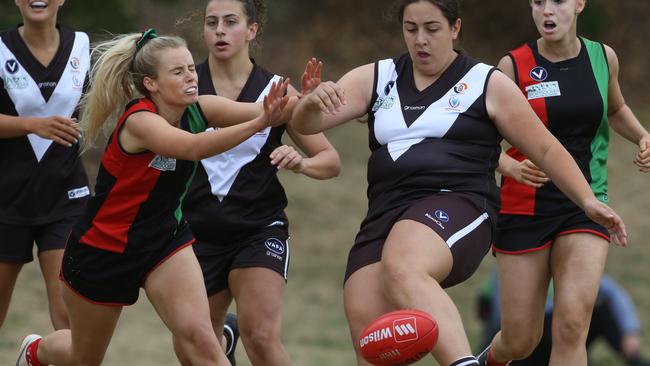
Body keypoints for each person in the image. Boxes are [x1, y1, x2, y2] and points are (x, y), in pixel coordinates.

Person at [290, 0, 627, 365]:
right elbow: (307, 124)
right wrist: (310, 104)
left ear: (455, 28)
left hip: (459, 202)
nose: (420, 40)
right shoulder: (378, 76)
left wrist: (586, 200)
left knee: (403, 263)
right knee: (368, 334)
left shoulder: (486, 83)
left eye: (432, 29)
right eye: (410, 28)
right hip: (385, 213)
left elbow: (545, 148)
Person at [14, 28, 297, 366]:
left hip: (165, 240)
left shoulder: (201, 108)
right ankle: (35, 352)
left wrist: (305, 99)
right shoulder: (140, 122)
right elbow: (193, 147)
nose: (191, 76)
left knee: (203, 340)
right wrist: (262, 122)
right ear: (151, 84)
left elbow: (267, 109)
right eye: (178, 72)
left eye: (191, 68)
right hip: (106, 249)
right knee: (82, 357)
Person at [479, 1, 650, 365]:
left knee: (572, 324)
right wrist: (508, 166)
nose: (547, 12)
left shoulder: (603, 58)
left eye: (557, 1)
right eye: (538, 3)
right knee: (520, 339)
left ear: (579, 4)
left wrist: (642, 136)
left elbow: (615, 107)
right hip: (525, 206)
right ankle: (486, 360)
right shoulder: (511, 66)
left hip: (585, 204)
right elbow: (479, 138)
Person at [178, 1, 340, 365]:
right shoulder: (185, 89)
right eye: (212, 22)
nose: (220, 30)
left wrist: (300, 163)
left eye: (231, 22)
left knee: (262, 337)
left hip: (258, 228)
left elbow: (330, 162)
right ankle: (224, 339)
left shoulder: (277, 92)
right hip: (193, 233)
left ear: (251, 30)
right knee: (196, 346)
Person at [0, 0, 89, 331]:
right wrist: (31, 125)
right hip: (7, 200)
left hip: (66, 199)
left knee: (68, 315)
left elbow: (104, 103)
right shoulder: (1, 48)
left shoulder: (83, 46)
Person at [477, 272, 650, 366]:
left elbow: (612, 293)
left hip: (566, 328)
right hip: (529, 341)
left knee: (598, 312)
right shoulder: (509, 272)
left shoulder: (570, 268)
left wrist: (630, 331)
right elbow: (494, 315)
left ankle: (634, 360)